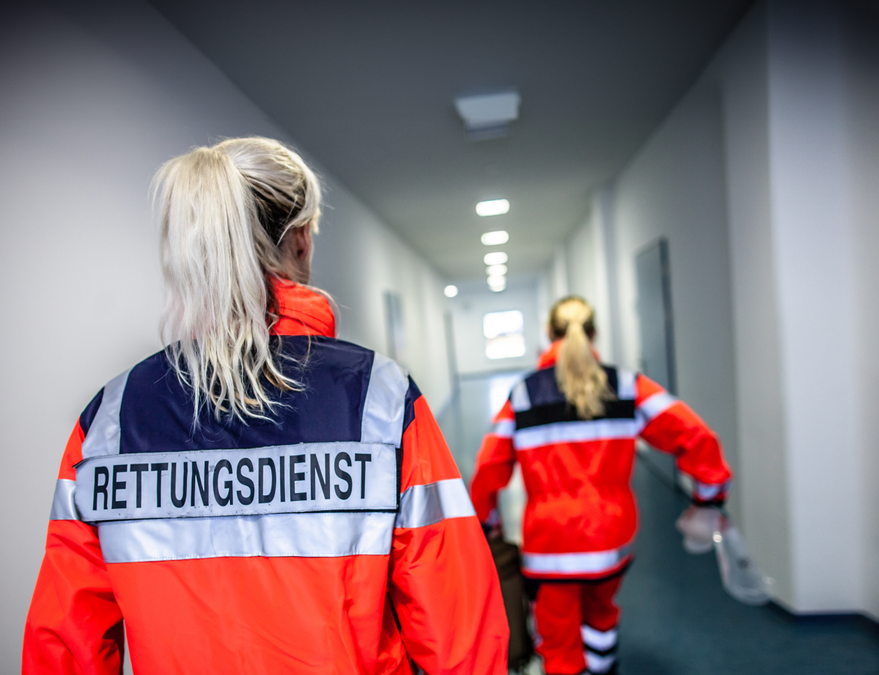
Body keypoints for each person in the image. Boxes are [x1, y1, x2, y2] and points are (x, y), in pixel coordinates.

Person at [22, 138, 508, 674]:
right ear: (301, 239)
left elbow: (64, 647)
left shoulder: (107, 425)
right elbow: (461, 634)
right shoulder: (379, 399)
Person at [469, 296, 732, 675]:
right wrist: (709, 498)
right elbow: (695, 434)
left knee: (558, 640)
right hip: (611, 539)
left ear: (548, 334)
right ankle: (602, 666)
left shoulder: (524, 394)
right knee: (601, 616)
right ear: (594, 333)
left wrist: (486, 522)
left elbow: (489, 465)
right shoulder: (627, 385)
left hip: (551, 546)